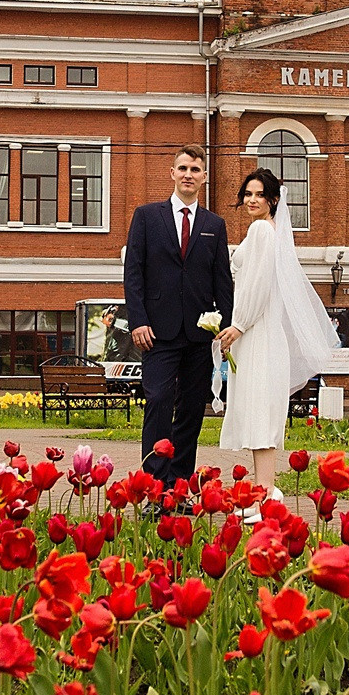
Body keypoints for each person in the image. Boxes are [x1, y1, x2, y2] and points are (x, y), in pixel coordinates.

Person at [213, 167, 338, 510]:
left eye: (259, 195)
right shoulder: (271, 233)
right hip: (261, 333)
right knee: (260, 414)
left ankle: (264, 493)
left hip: (258, 334)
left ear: (273, 200)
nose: (252, 200)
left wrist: (237, 325)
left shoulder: (261, 232)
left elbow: (257, 286)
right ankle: (264, 490)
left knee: (259, 415)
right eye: (248, 194)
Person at [121, 145, 233, 486]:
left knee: (189, 410)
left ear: (203, 177)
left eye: (195, 170)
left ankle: (180, 483)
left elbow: (222, 280)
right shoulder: (146, 216)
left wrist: (226, 327)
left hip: (200, 334)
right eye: (183, 168)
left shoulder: (215, 224)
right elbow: (134, 272)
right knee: (158, 400)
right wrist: (138, 320)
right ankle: (154, 483)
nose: (188, 175)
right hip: (156, 330)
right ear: (172, 173)